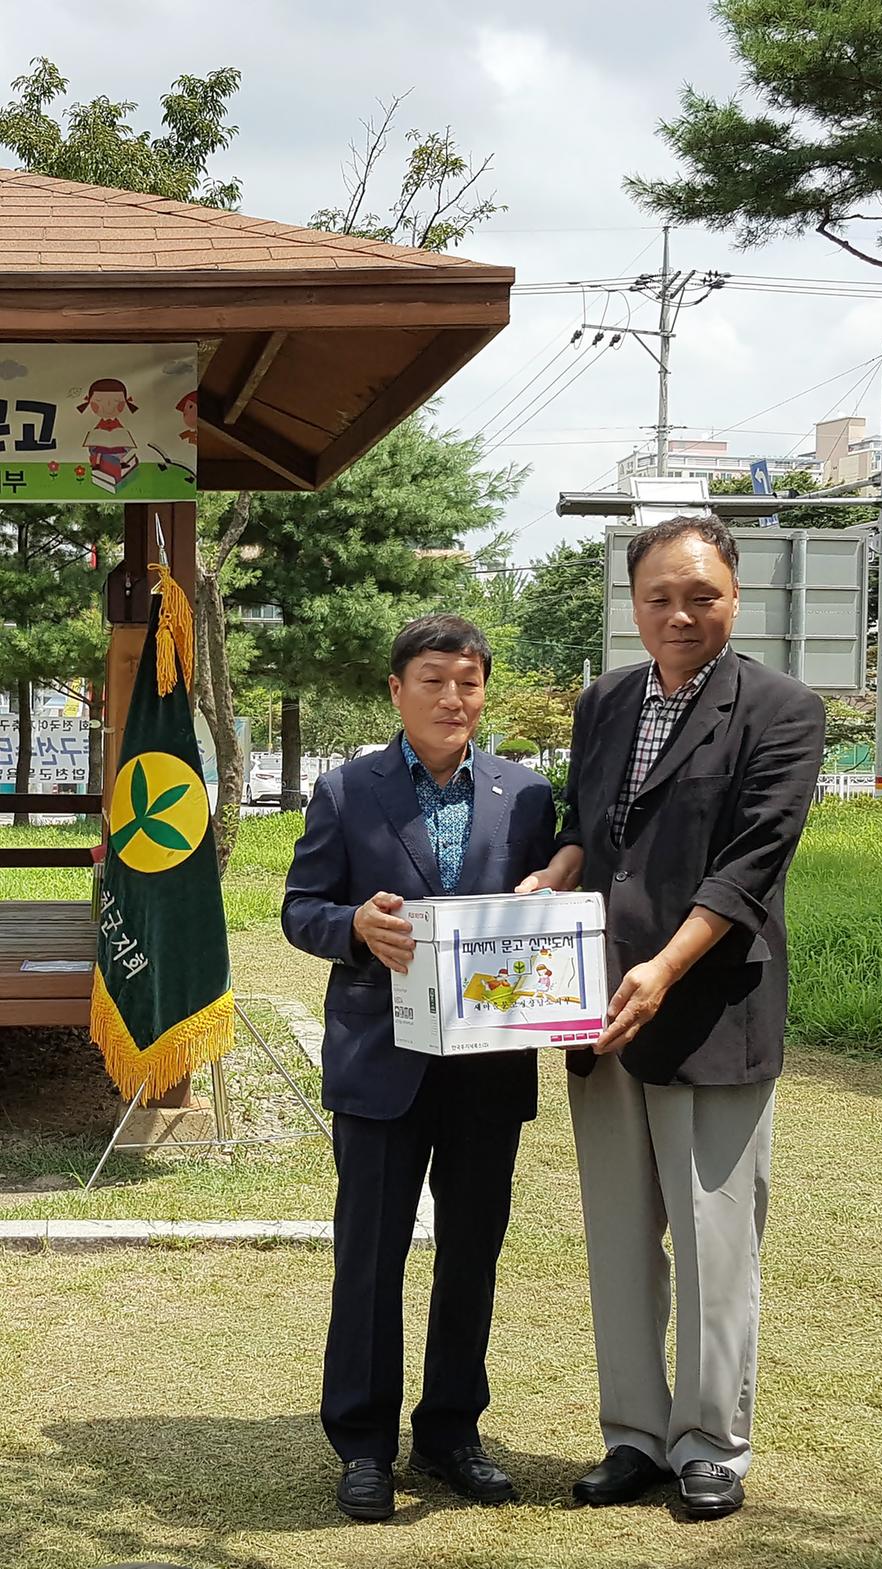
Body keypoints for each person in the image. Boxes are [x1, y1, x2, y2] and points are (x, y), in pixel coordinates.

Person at [519, 516, 825, 1522]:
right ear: (632, 602)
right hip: (597, 1008)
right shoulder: (604, 700)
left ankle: (709, 1445)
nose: (679, 613)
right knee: (615, 1236)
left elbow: (750, 864)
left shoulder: (781, 710)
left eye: (700, 594)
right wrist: (554, 871)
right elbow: (587, 825)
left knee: (712, 1242)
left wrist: (660, 967)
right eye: (658, 596)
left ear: (735, 594)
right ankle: (633, 1436)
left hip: (706, 1010)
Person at [282, 614, 555, 1524]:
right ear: (396, 690)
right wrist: (354, 926)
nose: (453, 698)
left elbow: (547, 909)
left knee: (472, 1252)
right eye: (434, 679)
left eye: (469, 681)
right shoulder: (346, 790)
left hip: (488, 1065)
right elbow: (300, 909)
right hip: (378, 1061)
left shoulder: (527, 796)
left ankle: (450, 1432)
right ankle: (362, 1443)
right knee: (370, 1258)